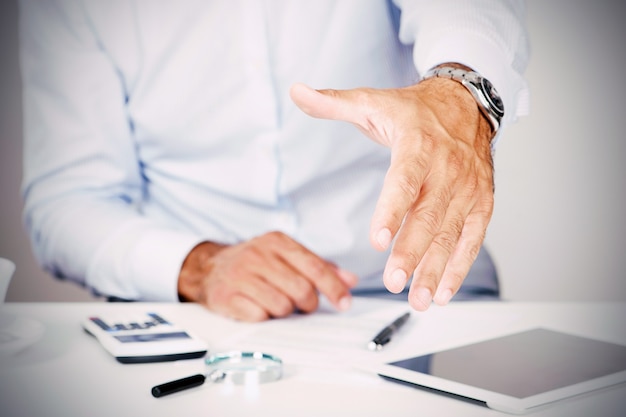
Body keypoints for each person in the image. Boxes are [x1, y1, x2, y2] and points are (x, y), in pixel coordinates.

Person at [19, 0, 529, 321]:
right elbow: (68, 200)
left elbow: (467, 13)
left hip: (422, 300)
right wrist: (199, 266)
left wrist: (460, 91)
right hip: (203, 315)